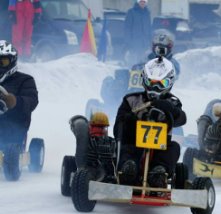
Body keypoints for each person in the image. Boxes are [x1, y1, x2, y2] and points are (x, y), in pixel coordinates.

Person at [113, 57, 186, 188]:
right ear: (144, 80)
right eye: (151, 82)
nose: (155, 87)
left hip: (160, 148)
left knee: (174, 147)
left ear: (169, 82)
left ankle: (158, 173)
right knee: (126, 148)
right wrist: (131, 119)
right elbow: (117, 129)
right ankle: (128, 170)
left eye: (161, 83)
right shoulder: (131, 100)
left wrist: (170, 109)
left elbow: (182, 119)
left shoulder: (172, 102)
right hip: (133, 143)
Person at [0, 40, 38, 149]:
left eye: (2, 62)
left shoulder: (25, 80)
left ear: (12, 61)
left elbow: (32, 101)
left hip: (11, 128)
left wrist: (15, 101)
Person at [70, 112, 116, 181]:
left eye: (102, 128)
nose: (100, 131)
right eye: (98, 128)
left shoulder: (110, 141)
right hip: (92, 170)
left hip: (102, 171)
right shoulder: (111, 142)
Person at [124, 0, 152, 67]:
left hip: (144, 44)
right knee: (133, 63)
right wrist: (128, 42)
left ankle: (142, 76)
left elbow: (149, 28)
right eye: (141, 2)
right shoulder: (131, 12)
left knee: (143, 62)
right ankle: (132, 76)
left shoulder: (147, 13)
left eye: (144, 2)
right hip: (134, 43)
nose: (142, 3)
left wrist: (149, 41)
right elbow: (127, 28)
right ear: (138, 2)